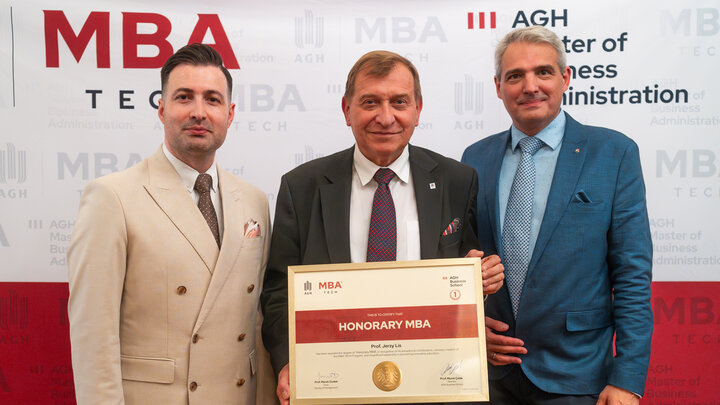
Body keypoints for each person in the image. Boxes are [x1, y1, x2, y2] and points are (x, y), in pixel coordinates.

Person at [260, 50, 505, 405]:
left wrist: (480, 280)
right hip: (334, 381)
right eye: (370, 102)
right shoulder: (302, 187)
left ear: (418, 110)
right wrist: (287, 362)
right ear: (347, 110)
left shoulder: (457, 179)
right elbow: (278, 289)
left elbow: (462, 271)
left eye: (399, 102)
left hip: (430, 382)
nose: (385, 117)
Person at [67, 44, 276, 404]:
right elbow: (94, 335)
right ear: (162, 109)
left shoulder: (254, 200)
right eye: (184, 97)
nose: (199, 112)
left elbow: (258, 324)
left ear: (230, 112)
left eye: (212, 99)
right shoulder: (112, 197)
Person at [461, 26, 653, 404]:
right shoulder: (474, 159)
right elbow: (464, 262)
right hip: (488, 375)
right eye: (515, 76)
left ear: (565, 78)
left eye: (543, 72)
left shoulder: (613, 153)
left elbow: (632, 275)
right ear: (499, 86)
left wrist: (627, 379)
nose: (530, 86)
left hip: (577, 376)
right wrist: (469, 328)